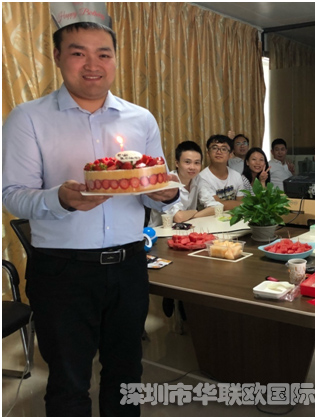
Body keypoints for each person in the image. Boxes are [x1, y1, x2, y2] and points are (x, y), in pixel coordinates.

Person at [2, 22, 179, 416]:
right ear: (57, 57)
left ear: (115, 59)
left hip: (130, 265)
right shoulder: (28, 118)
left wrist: (168, 194)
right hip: (62, 272)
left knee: (126, 374)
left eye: (104, 54)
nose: (93, 64)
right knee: (68, 382)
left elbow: (154, 185)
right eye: (78, 53)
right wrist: (59, 198)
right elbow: (12, 196)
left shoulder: (140, 119)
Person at [149, 141, 214, 226]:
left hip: (185, 228)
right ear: (177, 163)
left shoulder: (197, 179)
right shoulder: (168, 183)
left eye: (197, 163)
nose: (192, 167)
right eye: (187, 162)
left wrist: (191, 215)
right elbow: (178, 217)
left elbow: (215, 207)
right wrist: (196, 211)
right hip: (160, 231)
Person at [198, 134, 245, 210]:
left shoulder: (236, 176)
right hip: (210, 216)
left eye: (224, 149)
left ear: (230, 155)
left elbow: (242, 204)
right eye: (214, 148)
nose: (219, 152)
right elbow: (217, 206)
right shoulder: (201, 178)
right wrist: (236, 204)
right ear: (208, 153)